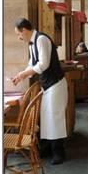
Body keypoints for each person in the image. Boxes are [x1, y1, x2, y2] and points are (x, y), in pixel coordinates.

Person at [12, 18, 68, 165]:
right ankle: (47, 148)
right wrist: (20, 75)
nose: (19, 37)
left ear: (24, 30)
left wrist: (24, 74)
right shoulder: (32, 44)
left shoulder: (42, 39)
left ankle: (59, 152)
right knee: (46, 118)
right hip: (47, 85)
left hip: (56, 83)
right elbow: (32, 64)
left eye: (19, 34)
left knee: (55, 118)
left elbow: (43, 64)